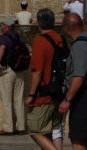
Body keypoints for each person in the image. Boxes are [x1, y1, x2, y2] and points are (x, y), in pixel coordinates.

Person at [58, 13, 87, 150]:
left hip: (84, 96)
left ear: (66, 28)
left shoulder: (80, 45)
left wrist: (67, 99)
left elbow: (79, 76)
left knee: (78, 140)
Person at [25, 8, 64, 150]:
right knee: (53, 130)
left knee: (34, 129)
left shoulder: (40, 41)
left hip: (45, 94)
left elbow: (37, 71)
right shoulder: (60, 39)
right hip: (59, 92)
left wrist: (31, 95)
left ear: (39, 23)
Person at [0, 16, 27, 136]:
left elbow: (2, 48)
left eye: (1, 25)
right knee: (19, 99)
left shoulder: (4, 37)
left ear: (6, 26)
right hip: (20, 70)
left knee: (6, 99)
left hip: (7, 70)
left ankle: (8, 128)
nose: (1, 27)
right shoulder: (19, 36)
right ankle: (21, 127)